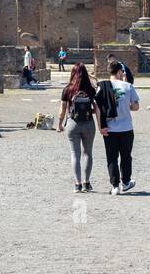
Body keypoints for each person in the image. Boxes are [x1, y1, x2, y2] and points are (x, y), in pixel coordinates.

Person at [95, 61, 140, 194]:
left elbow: (97, 108)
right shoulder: (128, 86)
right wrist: (127, 107)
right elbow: (136, 106)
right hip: (126, 128)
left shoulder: (102, 86)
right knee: (126, 156)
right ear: (120, 72)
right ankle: (126, 182)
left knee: (111, 157)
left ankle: (115, 186)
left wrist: (100, 127)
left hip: (109, 128)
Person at [56, 64, 97, 193]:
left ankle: (77, 184)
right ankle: (86, 182)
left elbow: (62, 110)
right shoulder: (91, 89)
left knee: (75, 154)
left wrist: (59, 124)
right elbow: (96, 109)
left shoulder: (68, 89)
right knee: (88, 153)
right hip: (89, 123)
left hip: (72, 123)